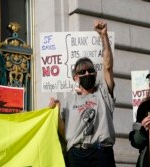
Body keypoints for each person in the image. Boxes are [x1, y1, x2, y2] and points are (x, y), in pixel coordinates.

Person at [49, 20, 116, 167]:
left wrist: (103, 36)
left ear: (95, 73)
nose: (87, 73)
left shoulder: (104, 93)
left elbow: (108, 66)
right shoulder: (67, 101)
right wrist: (55, 112)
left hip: (101, 154)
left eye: (90, 70)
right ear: (75, 77)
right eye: (82, 71)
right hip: (76, 156)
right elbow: (63, 132)